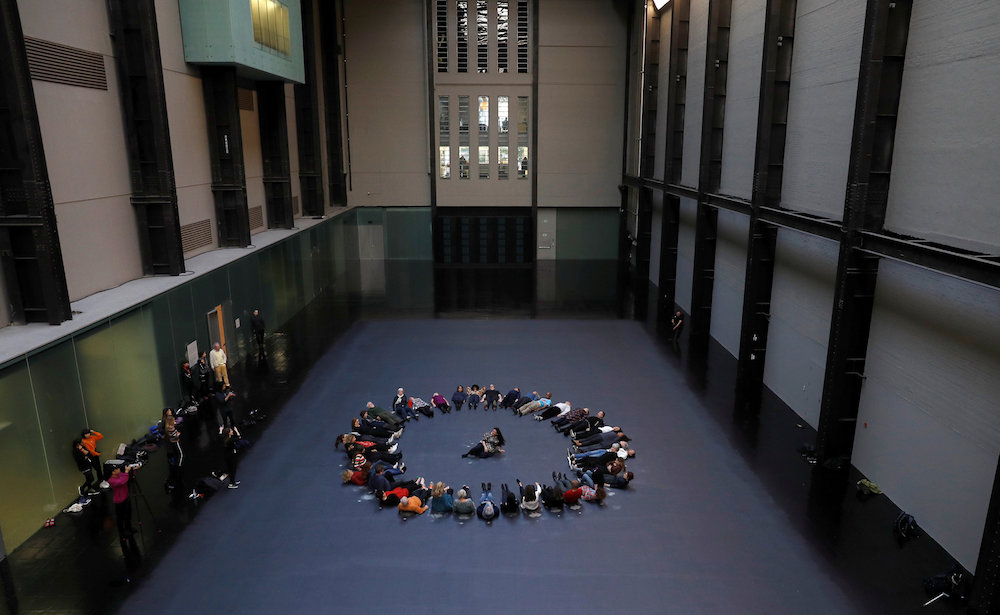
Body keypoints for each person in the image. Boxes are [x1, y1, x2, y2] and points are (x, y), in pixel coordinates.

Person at [108, 463, 140, 538]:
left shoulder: (120, 475)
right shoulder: (111, 480)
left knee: (128, 514)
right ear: (113, 472)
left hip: (126, 497)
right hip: (119, 501)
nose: (119, 469)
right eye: (117, 469)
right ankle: (122, 532)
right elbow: (122, 481)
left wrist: (133, 470)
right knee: (121, 517)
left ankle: (128, 528)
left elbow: (127, 477)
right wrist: (126, 472)